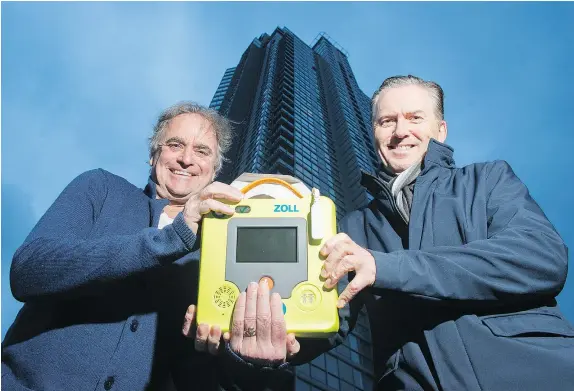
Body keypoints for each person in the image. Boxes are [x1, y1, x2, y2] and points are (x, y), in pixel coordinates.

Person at [2, 102, 299, 391]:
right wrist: (173, 236)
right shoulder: (101, 187)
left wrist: (241, 357)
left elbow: (202, 377)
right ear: (153, 155)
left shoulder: (223, 245)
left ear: (214, 170)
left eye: (202, 151)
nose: (187, 159)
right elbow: (28, 270)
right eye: (175, 145)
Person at [302, 75, 574, 390]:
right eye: (386, 121)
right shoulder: (353, 226)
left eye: (414, 118)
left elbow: (540, 258)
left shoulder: (487, 179)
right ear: (374, 133)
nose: (400, 131)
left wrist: (386, 267)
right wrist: (275, 343)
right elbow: (327, 315)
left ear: (440, 131)